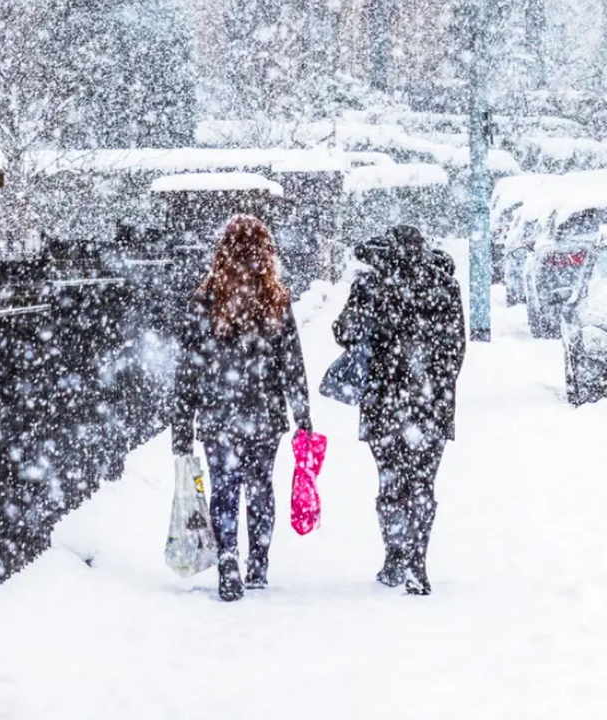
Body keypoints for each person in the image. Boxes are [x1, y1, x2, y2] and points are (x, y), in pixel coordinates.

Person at [172, 215, 312, 602]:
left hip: (219, 414)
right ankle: (259, 562)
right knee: (260, 486)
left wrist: (182, 427)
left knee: (224, 488)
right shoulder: (275, 298)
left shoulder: (206, 299)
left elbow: (188, 368)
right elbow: (292, 362)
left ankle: (228, 558)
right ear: (267, 253)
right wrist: (303, 417)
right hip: (264, 413)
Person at [333, 226, 466, 596]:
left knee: (390, 481)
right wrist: (436, 385)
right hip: (431, 404)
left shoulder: (371, 285)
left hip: (383, 401)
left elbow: (345, 333)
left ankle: (394, 556)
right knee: (422, 483)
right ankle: (417, 562)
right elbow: (456, 349)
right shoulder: (444, 286)